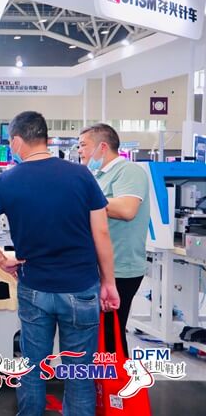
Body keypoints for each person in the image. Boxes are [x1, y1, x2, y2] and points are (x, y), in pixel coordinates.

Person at [0, 111, 120, 416]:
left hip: (34, 286)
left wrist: (2, 260)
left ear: (16, 141)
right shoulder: (81, 175)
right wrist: (109, 282)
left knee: (32, 368)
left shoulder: (5, 180)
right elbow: (101, 232)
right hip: (81, 287)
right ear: (46, 138)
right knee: (79, 373)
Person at [78, 123, 149, 355]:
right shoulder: (97, 176)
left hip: (121, 268)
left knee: (111, 334)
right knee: (100, 333)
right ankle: (101, 377)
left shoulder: (128, 171)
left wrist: (84, 196)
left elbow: (127, 209)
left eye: (83, 145)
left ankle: (116, 378)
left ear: (103, 147)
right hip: (100, 267)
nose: (79, 151)